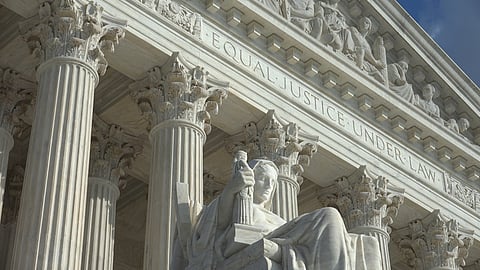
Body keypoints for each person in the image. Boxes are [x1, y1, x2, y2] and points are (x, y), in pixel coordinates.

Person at [186, 158, 382, 269]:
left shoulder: (278, 219)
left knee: (369, 244)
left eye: (273, 182)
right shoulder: (234, 207)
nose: (269, 185)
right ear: (251, 179)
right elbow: (216, 229)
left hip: (283, 245)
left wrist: (281, 251)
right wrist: (231, 190)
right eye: (262, 178)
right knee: (329, 216)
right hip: (258, 247)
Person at [351, 17, 386, 83]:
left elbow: (366, 52)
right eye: (361, 22)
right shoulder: (353, 29)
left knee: (380, 77)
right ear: (358, 25)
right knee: (361, 51)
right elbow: (359, 44)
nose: (363, 23)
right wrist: (375, 62)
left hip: (362, 59)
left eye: (366, 22)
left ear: (369, 27)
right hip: (354, 54)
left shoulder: (367, 44)